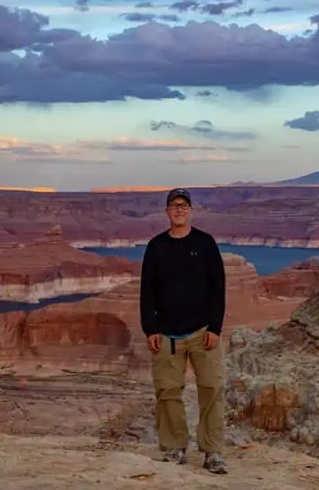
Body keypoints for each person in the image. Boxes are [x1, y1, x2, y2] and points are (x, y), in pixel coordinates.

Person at [139, 187, 227, 474]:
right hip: (166, 335)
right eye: (174, 205)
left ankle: (212, 452)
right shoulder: (156, 246)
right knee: (167, 391)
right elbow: (147, 291)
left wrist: (215, 327)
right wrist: (149, 328)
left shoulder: (205, 243)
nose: (179, 209)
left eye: (183, 205)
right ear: (167, 211)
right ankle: (174, 447)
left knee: (212, 389)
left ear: (191, 210)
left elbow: (218, 288)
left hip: (203, 333)